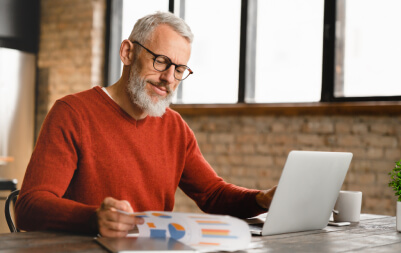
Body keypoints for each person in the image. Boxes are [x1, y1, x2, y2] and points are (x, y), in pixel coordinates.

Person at [15, 12, 276, 237]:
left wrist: (261, 198)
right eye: (160, 61)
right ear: (127, 52)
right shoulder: (72, 113)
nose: (168, 79)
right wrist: (95, 218)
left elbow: (213, 195)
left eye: (179, 69)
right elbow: (29, 207)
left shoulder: (174, 127)